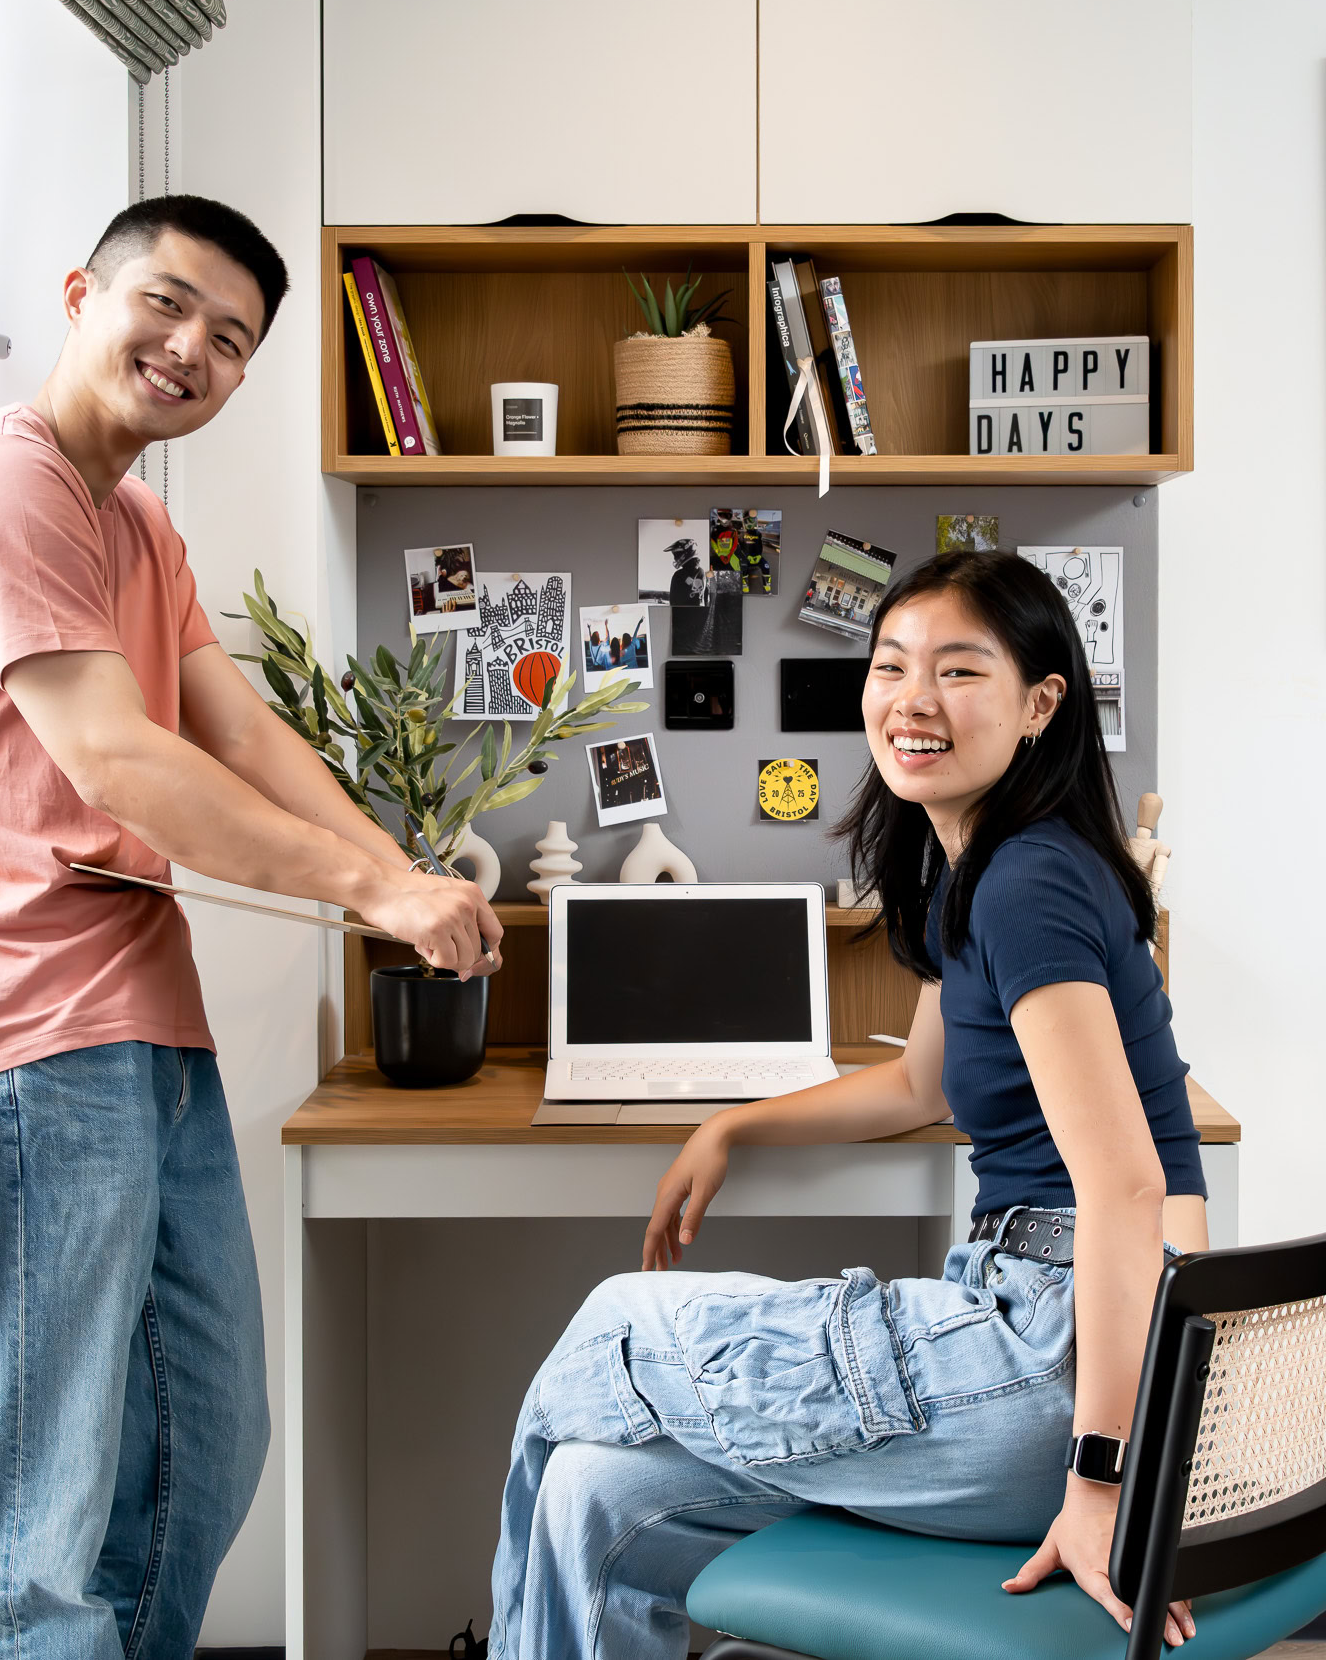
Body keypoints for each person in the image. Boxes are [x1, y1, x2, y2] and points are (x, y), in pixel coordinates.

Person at [0, 194, 502, 1660]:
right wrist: (373, 893)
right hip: (19, 1049)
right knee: (36, 1532)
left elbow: (239, 727)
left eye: (229, 340)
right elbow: (125, 761)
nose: (189, 350)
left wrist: (400, 869)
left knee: (199, 1453)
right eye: (167, 306)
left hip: (139, 1038)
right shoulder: (1, 484)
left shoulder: (138, 524)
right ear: (85, 291)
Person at [488, 551, 1207, 1660]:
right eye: (891, 665)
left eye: (958, 670)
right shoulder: (988, 866)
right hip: (1078, 1352)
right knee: (596, 1493)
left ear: (1039, 702)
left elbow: (1126, 1182)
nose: (912, 700)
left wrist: (1104, 1482)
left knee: (613, 1322)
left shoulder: (1025, 883)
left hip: (1051, 1371)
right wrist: (733, 1121)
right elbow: (919, 1085)